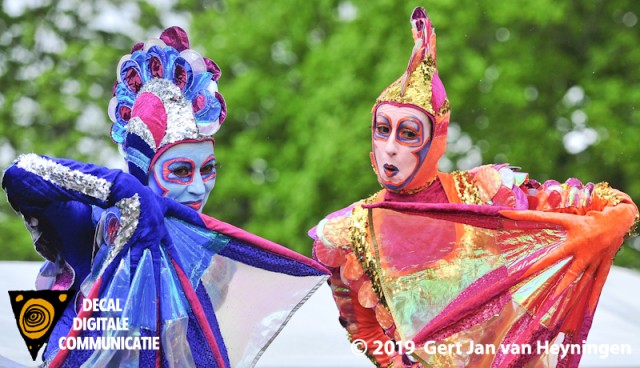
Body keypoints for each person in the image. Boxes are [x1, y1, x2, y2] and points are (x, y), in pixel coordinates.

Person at [310, 7, 638, 368]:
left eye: (408, 134)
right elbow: (364, 327)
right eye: (382, 130)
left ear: (436, 141)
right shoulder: (350, 232)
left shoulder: (486, 192)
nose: (390, 147)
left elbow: (596, 203)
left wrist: (613, 219)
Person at [3, 27, 328, 368]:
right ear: (145, 171)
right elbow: (21, 174)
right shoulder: (93, 228)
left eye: (208, 170)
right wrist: (122, 189)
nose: (199, 188)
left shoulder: (208, 259)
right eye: (181, 172)